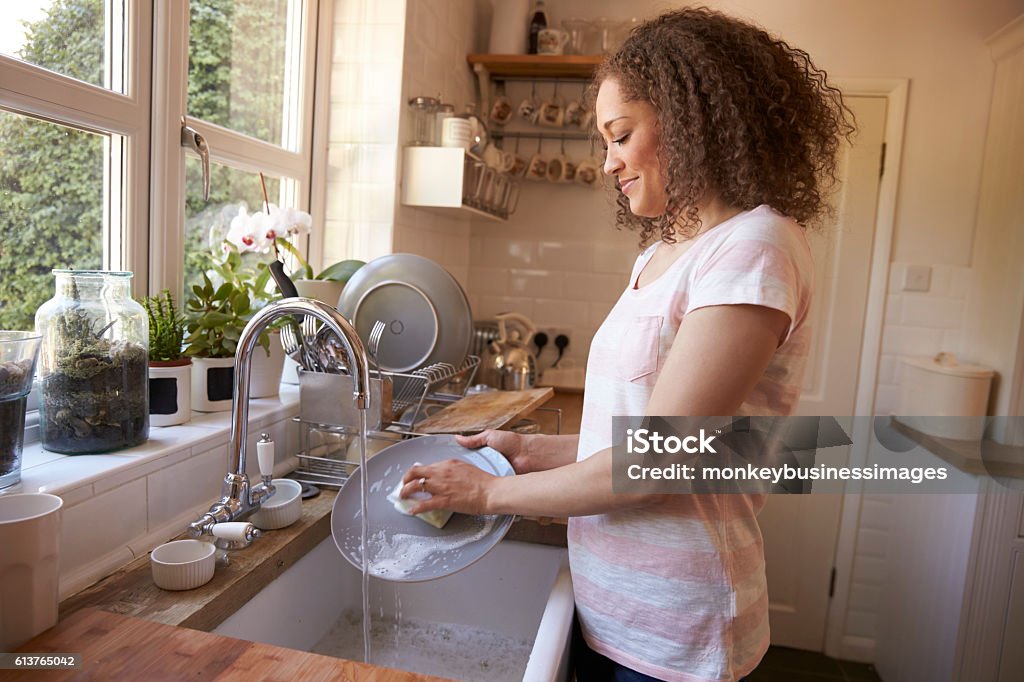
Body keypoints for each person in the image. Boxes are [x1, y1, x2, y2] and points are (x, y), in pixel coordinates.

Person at [400, 7, 854, 681]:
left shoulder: (754, 246)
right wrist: (529, 451)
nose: (608, 161)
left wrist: (488, 494)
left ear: (688, 118)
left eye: (620, 135)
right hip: (609, 615)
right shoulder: (661, 254)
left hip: (681, 634)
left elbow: (657, 464)